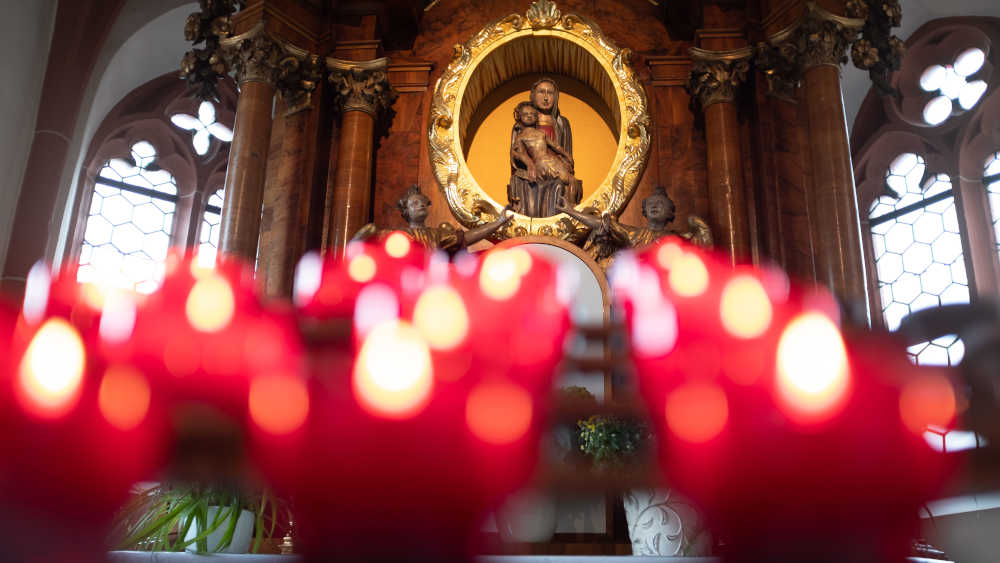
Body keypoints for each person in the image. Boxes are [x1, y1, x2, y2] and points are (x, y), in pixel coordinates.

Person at [555, 186, 712, 268]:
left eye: (660, 204)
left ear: (671, 212)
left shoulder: (678, 239)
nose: (654, 206)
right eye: (650, 204)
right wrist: (571, 211)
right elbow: (603, 224)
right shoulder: (636, 234)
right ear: (644, 211)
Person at [354, 185, 512, 252]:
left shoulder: (437, 234)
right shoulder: (395, 235)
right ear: (406, 211)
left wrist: (497, 223)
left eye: (423, 203)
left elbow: (466, 238)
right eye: (415, 203)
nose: (421, 206)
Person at [508, 78, 579, 217]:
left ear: (556, 97)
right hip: (532, 170)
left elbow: (562, 148)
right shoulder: (520, 127)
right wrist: (529, 164)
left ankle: (569, 213)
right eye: (541, 92)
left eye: (550, 93)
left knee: (570, 181)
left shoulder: (562, 123)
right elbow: (515, 153)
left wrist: (566, 162)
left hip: (556, 167)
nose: (546, 97)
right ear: (533, 95)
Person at [511, 101, 577, 188]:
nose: (529, 116)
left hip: (553, 161)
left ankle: (568, 201)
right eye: (525, 114)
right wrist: (530, 165)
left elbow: (555, 146)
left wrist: (566, 155)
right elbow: (519, 154)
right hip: (541, 164)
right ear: (520, 117)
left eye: (532, 114)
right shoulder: (520, 137)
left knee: (573, 181)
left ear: (536, 116)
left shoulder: (541, 133)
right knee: (568, 181)